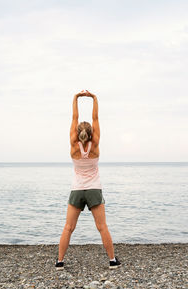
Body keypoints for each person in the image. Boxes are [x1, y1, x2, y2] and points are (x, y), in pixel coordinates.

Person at [55, 90, 121, 270]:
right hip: (94, 189)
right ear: (91, 133)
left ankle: (60, 262)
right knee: (102, 227)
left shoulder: (73, 145)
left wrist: (75, 98)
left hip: (77, 190)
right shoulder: (96, 144)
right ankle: (112, 261)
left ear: (77, 134)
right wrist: (94, 98)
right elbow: (96, 118)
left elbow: (74, 117)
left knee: (68, 227)